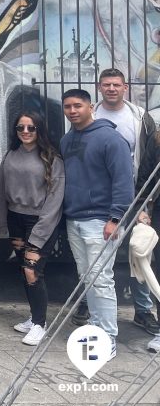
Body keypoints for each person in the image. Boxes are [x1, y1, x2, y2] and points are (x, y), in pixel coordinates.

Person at [60, 88, 133, 359]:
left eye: (78, 105)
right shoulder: (67, 140)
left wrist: (116, 218)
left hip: (102, 221)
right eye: (68, 106)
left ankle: (108, 336)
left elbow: (124, 181)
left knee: (101, 280)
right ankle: (96, 326)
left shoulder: (112, 139)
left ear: (91, 106)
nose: (72, 111)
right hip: (75, 219)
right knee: (88, 278)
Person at [90, 68, 160, 335]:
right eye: (106, 84)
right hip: (98, 195)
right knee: (95, 253)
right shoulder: (90, 114)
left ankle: (143, 311)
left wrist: (145, 202)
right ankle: (88, 305)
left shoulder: (140, 117)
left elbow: (151, 159)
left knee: (140, 252)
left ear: (125, 87)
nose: (111, 89)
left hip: (134, 194)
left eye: (116, 85)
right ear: (100, 87)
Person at [0, 111, 65, 346]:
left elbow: (55, 199)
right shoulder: (11, 154)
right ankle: (34, 318)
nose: (25, 132)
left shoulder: (51, 157)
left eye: (31, 128)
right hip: (16, 219)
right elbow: (2, 190)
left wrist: (41, 230)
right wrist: (2, 222)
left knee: (32, 270)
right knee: (23, 269)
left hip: (40, 221)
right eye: (20, 128)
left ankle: (40, 324)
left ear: (39, 130)